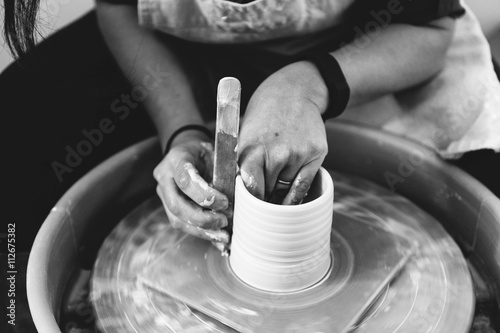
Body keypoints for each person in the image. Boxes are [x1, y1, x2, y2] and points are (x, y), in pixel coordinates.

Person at [2, 0, 500, 251]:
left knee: (484, 199)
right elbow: (119, 9)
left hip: (368, 44)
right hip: (180, 51)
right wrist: (182, 131)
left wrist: (309, 86)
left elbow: (429, 31)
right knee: (16, 139)